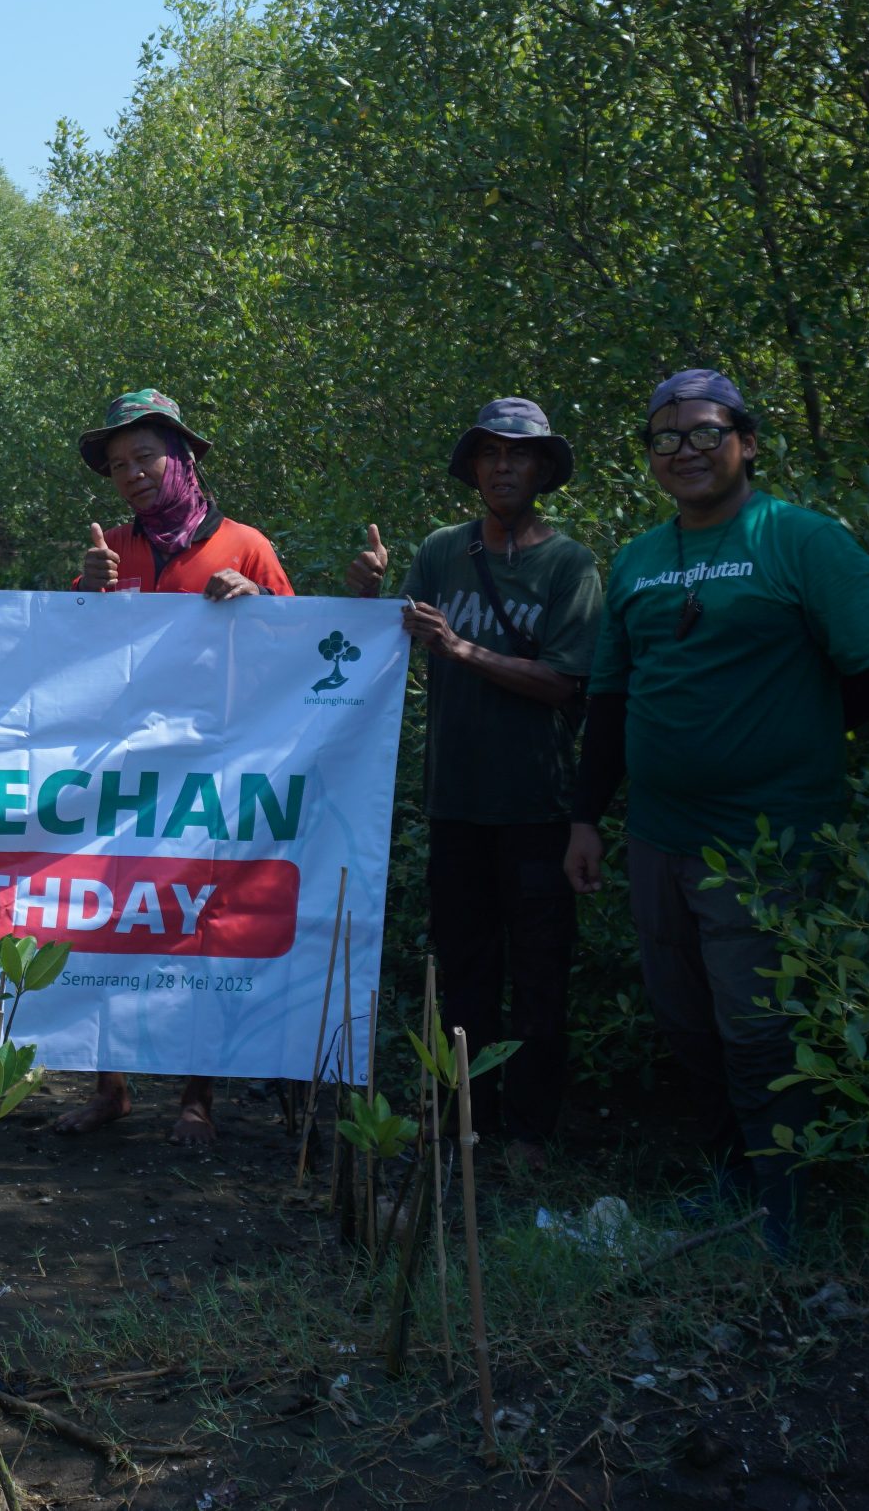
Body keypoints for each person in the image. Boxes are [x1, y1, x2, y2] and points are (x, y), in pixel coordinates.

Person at [564, 369, 869, 1250]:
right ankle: (729, 1181)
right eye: (665, 437)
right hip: (658, 837)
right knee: (686, 1020)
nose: (685, 450)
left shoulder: (802, 541)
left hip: (767, 840)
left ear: (747, 441)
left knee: (761, 1025)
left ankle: (781, 1205)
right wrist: (585, 815)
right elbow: (610, 699)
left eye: (704, 431)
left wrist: (788, 749)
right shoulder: (640, 558)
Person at [345, 399, 601, 1173]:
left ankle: (527, 1131)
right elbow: (385, 641)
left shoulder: (570, 565)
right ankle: (462, 1119)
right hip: (454, 802)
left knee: (538, 976)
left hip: (537, 807)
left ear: (543, 469)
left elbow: (563, 682)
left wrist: (461, 648)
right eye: (490, 454)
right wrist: (366, 592)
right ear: (473, 469)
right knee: (464, 973)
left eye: (518, 455)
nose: (502, 467)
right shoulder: (441, 552)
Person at [58, 388, 294, 1148]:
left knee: (203, 927)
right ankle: (110, 1088)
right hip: (119, 775)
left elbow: (296, 648)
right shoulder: (111, 552)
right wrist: (84, 595)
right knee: (105, 921)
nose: (131, 474)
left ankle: (197, 1097)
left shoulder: (246, 544)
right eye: (119, 465)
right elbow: (61, 662)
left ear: (183, 457)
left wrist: (258, 601)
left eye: (145, 457)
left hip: (212, 773)